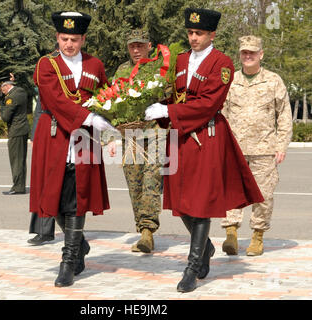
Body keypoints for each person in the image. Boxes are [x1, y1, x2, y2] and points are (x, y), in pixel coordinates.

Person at [144, 8, 264, 292]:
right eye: (190, 33)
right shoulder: (181, 59)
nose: (193, 38)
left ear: (212, 34)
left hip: (207, 135)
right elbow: (172, 93)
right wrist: (156, 105)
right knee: (180, 199)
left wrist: (169, 109)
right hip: (180, 136)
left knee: (200, 202)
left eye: (199, 33)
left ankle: (193, 264)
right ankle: (206, 247)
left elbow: (210, 103)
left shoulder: (221, 63)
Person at [31, 11, 115, 287]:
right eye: (64, 38)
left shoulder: (95, 64)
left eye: (75, 39)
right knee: (51, 196)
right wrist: (87, 117)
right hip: (54, 134)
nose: (69, 44)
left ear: (83, 39)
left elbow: (107, 94)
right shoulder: (47, 64)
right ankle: (79, 243)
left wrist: (117, 113)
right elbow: (54, 100)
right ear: (57, 37)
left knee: (78, 196)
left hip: (84, 139)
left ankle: (68, 260)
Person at [220, 35, 293, 256]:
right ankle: (231, 234)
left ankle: (257, 237)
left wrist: (282, 145)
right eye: (244, 52)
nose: (248, 56)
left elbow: (284, 115)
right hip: (235, 149)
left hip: (264, 149)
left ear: (261, 54)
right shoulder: (231, 81)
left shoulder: (273, 80)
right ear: (240, 54)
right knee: (231, 191)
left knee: (263, 194)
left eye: (252, 52)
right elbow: (222, 113)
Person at [111, 29, 163, 253]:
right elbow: (112, 102)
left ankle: (147, 232)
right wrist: (110, 137)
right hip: (130, 136)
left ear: (149, 46)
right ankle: (141, 227)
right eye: (132, 46)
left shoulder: (159, 69)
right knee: (135, 185)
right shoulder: (122, 70)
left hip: (154, 134)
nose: (136, 50)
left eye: (140, 45)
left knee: (151, 182)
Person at [27, 96, 56, 245]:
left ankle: (74, 234)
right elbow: (39, 110)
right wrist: (34, 136)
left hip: (69, 134)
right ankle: (43, 230)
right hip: (47, 133)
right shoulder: (45, 79)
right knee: (43, 183)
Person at [0, 80, 29, 195]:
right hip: (23, 129)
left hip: (15, 130)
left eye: (3, 90)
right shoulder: (21, 92)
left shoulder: (11, 97)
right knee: (21, 160)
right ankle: (20, 185)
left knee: (16, 160)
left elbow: (6, 117)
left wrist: (3, 108)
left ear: (7, 86)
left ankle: (17, 187)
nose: (3, 93)